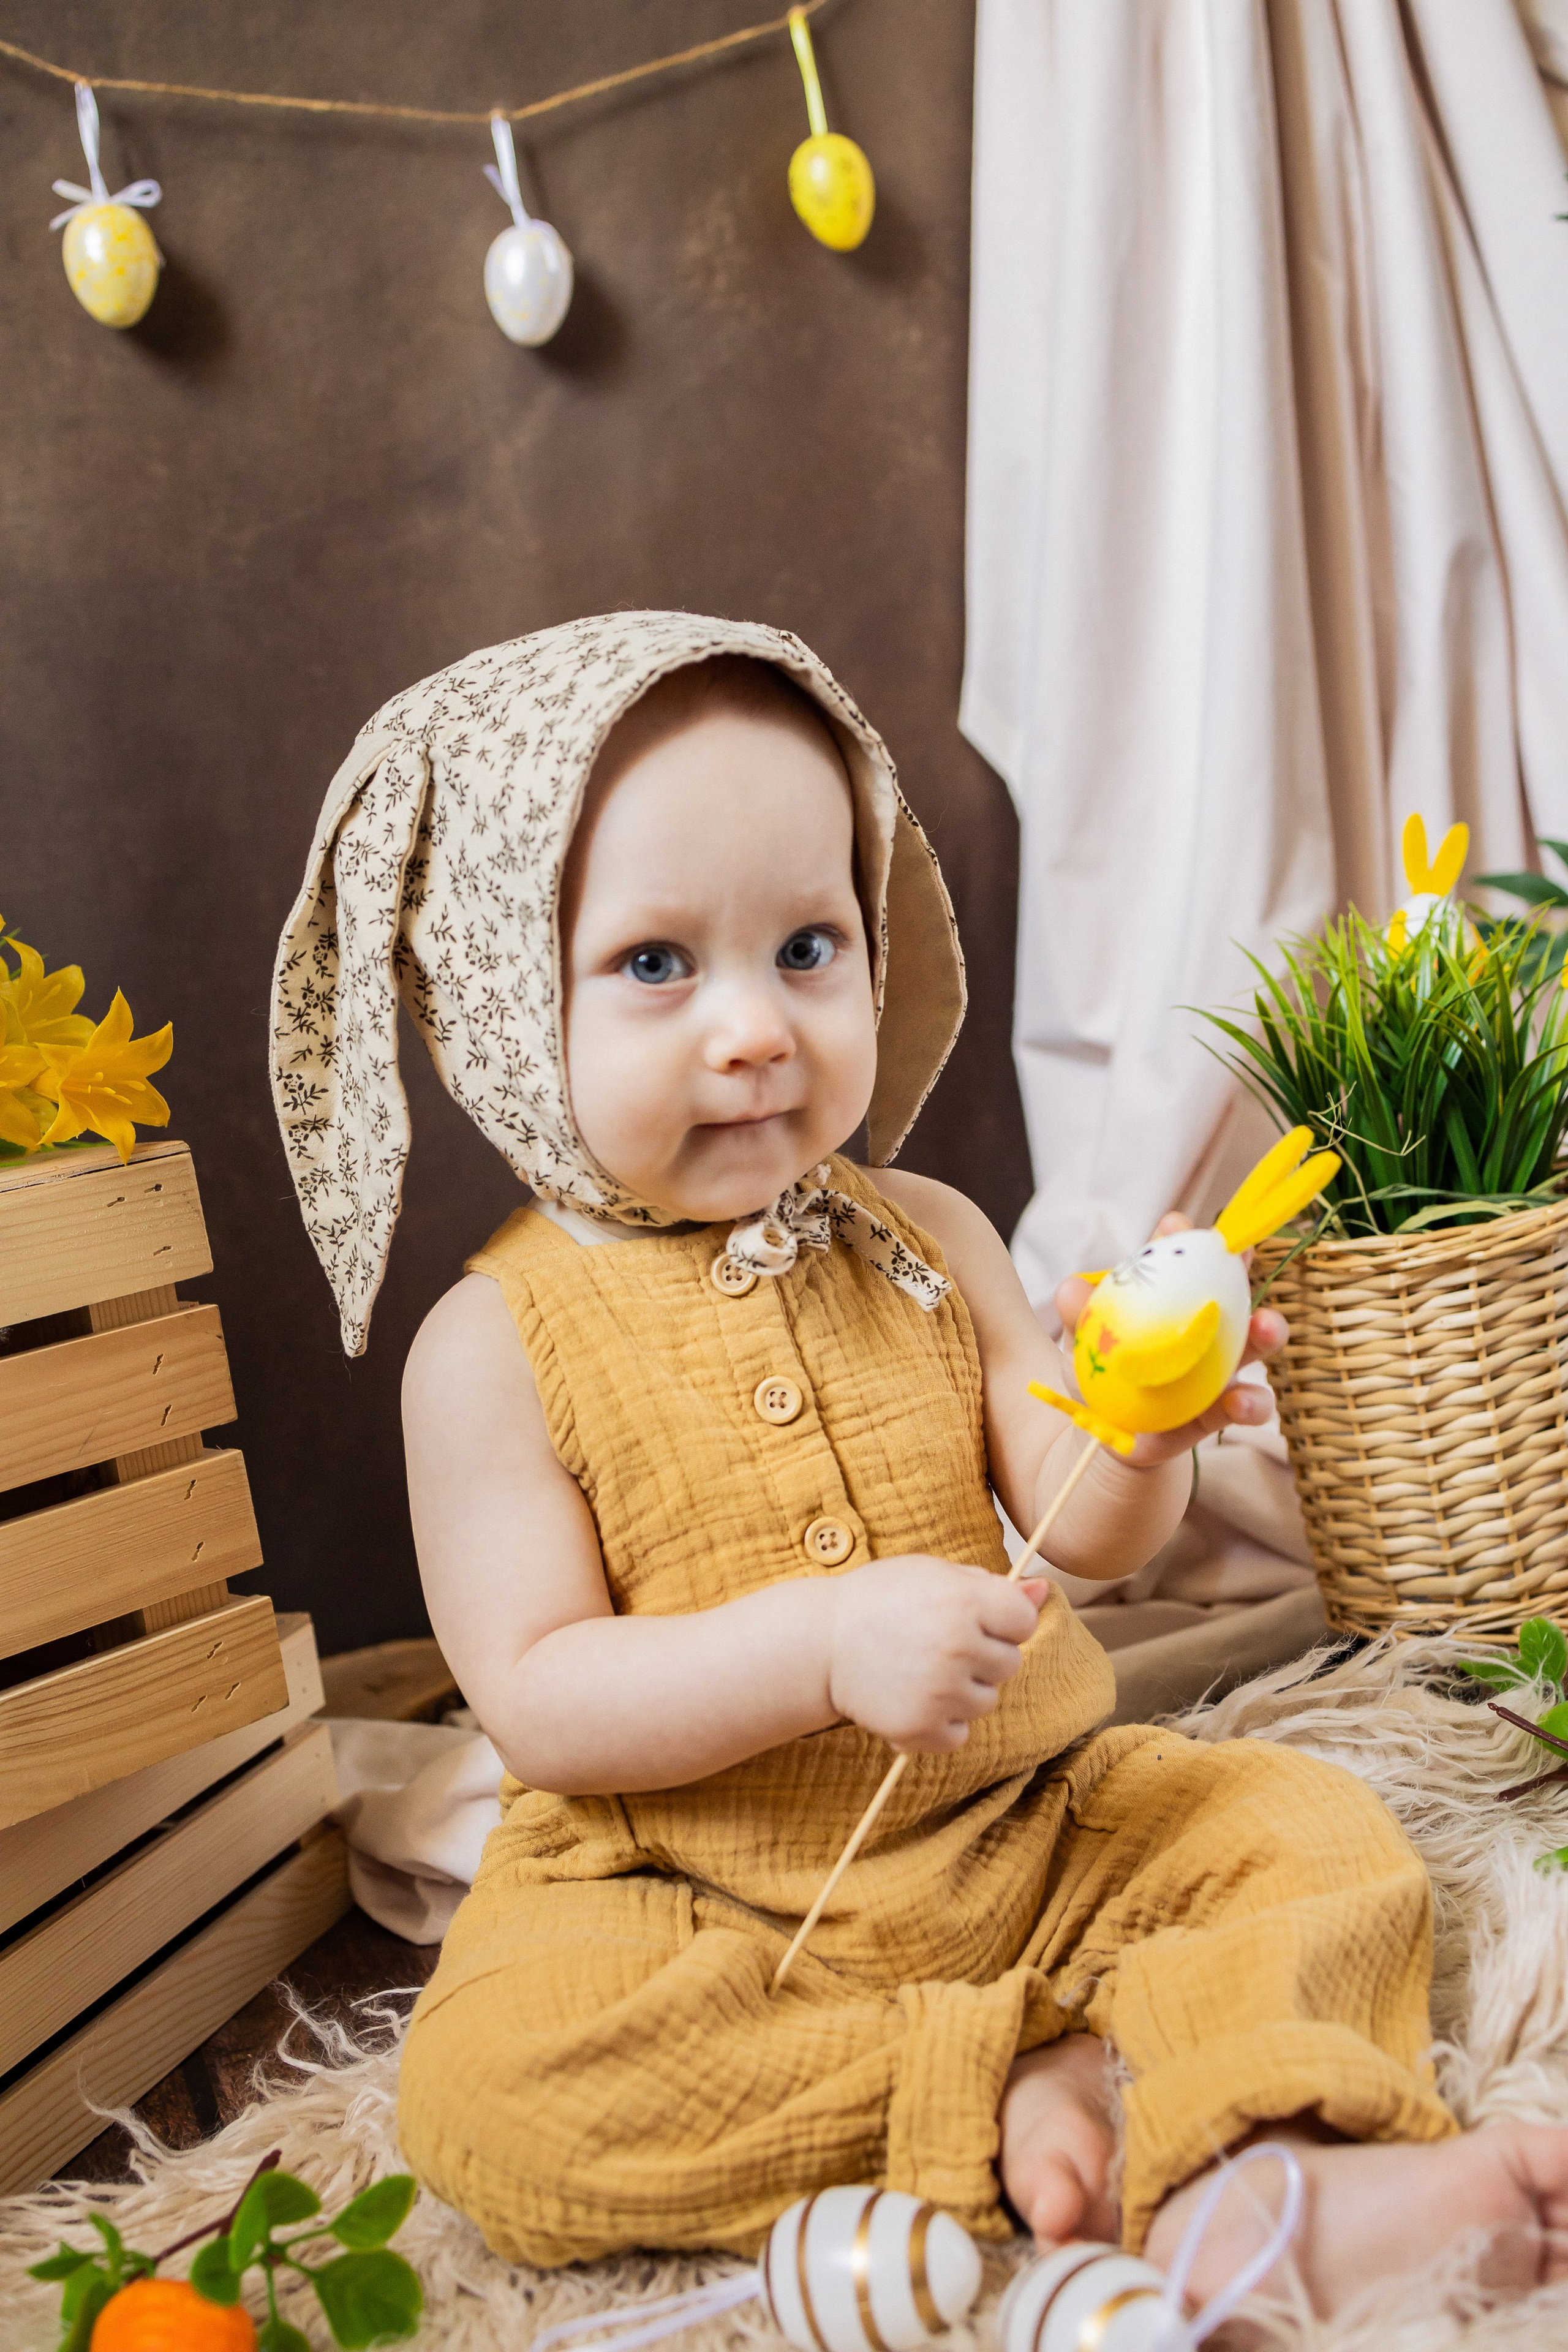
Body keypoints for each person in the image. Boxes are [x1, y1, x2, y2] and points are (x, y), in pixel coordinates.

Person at [271, 613, 1568, 2320]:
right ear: (512, 1002)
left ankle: (1264, 2159)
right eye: (659, 966)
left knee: (1303, 1827)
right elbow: (540, 1697)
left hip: (1028, 1827)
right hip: (691, 1895)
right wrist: (822, 1648)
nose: (756, 1029)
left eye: (810, 945)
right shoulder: (493, 1349)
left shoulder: (932, 1235)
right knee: (497, 2097)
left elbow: (1077, 1531)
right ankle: (1026, 2086)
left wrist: (1142, 1427)